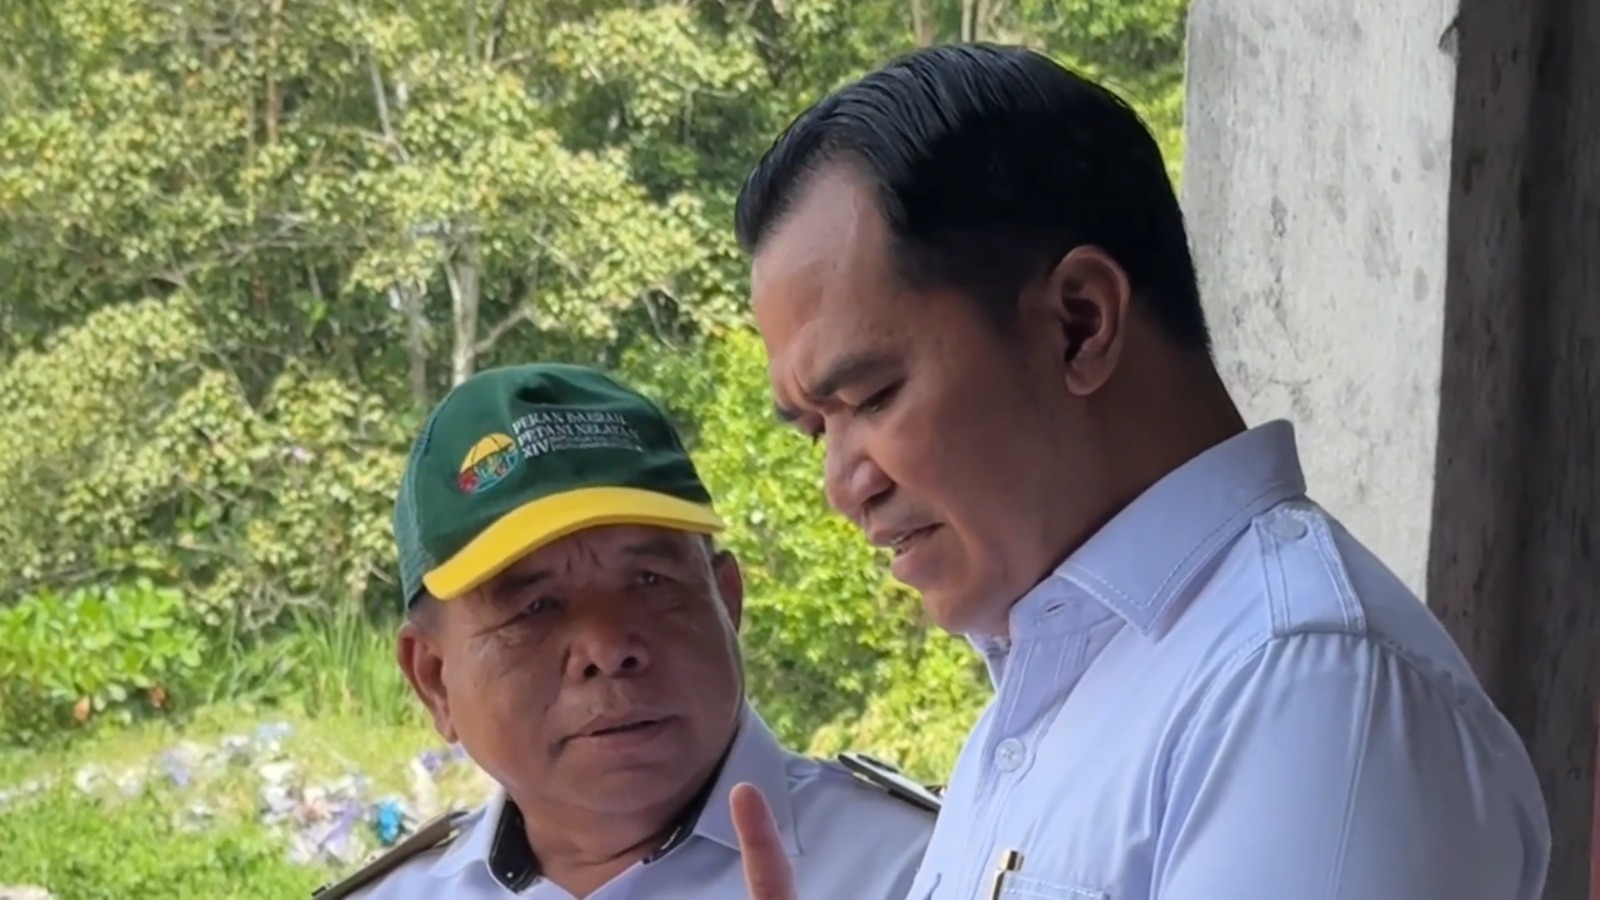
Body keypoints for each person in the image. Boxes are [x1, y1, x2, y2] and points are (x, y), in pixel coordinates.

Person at [725, 43, 1551, 900]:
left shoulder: (1310, 692)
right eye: (815, 430)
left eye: (870, 397)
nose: (843, 486)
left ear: (1079, 324)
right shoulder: (1056, 700)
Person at [311, 363, 937, 899]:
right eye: (535, 607)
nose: (609, 648)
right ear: (433, 679)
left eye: (649, 582)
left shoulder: (928, 869)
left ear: (727, 603)